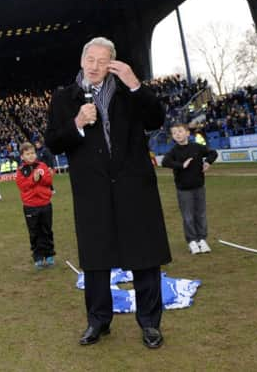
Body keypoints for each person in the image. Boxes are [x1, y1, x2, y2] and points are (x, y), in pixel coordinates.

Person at [45, 37, 172, 349]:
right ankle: (98, 322)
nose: (95, 66)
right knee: (96, 260)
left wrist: (135, 84)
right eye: (90, 59)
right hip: (92, 191)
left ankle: (150, 323)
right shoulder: (64, 98)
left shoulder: (129, 94)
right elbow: (53, 142)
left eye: (103, 61)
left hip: (134, 186)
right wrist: (76, 123)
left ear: (113, 64)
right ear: (81, 60)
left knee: (144, 256)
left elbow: (156, 118)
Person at [162, 123, 218, 254]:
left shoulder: (197, 147)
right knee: (188, 216)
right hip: (183, 190)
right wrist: (181, 165)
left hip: (199, 186)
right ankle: (192, 241)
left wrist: (207, 162)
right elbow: (165, 162)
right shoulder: (173, 151)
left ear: (187, 133)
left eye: (180, 131)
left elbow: (213, 153)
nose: (178, 134)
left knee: (201, 214)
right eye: (175, 133)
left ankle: (202, 240)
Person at [15, 142, 56, 269]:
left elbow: (49, 181)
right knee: (34, 232)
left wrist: (42, 177)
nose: (31, 156)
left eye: (33, 153)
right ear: (22, 157)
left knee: (46, 230)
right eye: (28, 154)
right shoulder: (21, 171)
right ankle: (38, 256)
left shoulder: (42, 165)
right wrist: (34, 179)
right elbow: (22, 186)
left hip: (45, 204)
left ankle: (49, 254)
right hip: (30, 206)